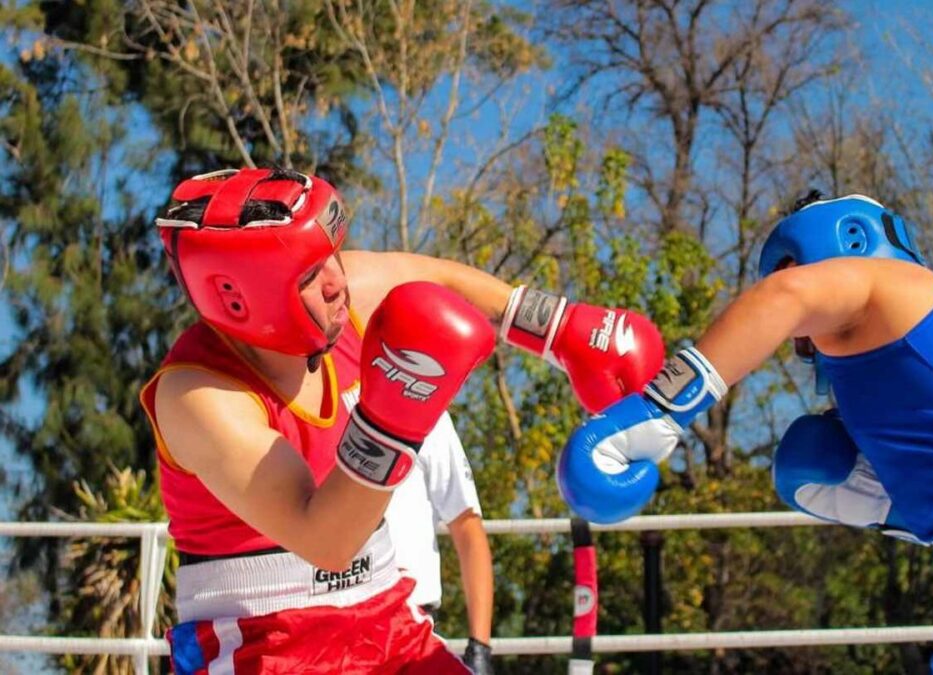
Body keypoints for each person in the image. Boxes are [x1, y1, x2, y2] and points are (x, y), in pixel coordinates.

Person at [140, 167, 665, 674]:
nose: (336, 281)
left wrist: (558, 327)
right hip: (263, 643)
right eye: (309, 274)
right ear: (239, 297)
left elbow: (437, 277)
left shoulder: (345, 297)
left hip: (387, 618)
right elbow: (325, 542)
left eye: (332, 256)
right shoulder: (198, 395)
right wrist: (393, 420)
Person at [556, 192, 933, 673]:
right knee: (813, 460)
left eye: (788, 266)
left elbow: (789, 295)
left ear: (849, 240)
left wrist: (660, 410)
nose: (799, 341)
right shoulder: (899, 380)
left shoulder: (894, 290)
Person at [384, 412, 495, 674]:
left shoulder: (425, 406)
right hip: (324, 626)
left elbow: (467, 524)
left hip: (412, 628)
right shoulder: (297, 401)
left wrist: (480, 647)